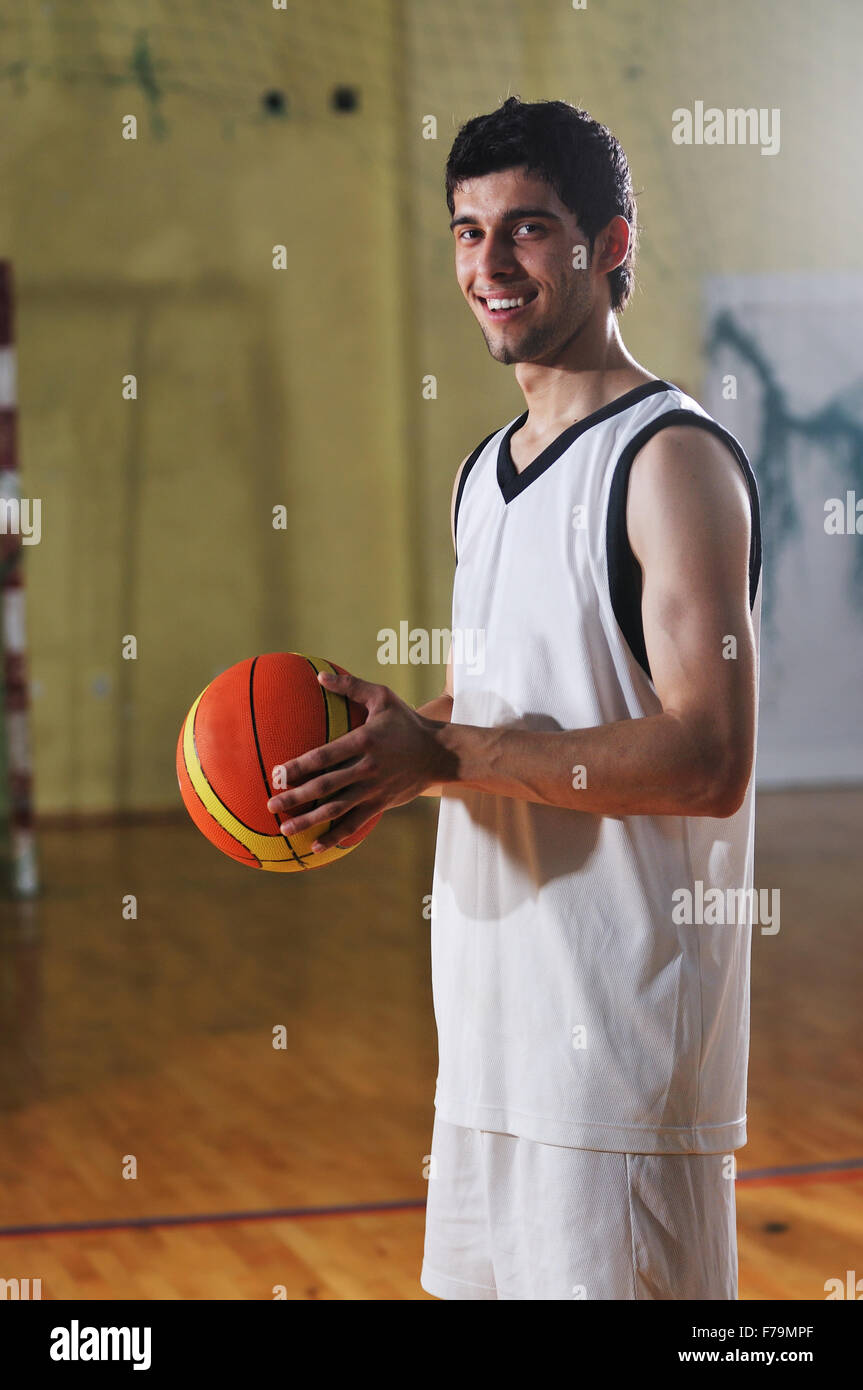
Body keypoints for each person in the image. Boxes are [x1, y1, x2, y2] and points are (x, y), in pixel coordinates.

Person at [267, 96, 761, 1301]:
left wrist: (442, 752)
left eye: (528, 228)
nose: (489, 263)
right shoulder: (480, 478)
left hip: (616, 1082)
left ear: (612, 245)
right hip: (488, 1063)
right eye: (465, 230)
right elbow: (526, 701)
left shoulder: (670, 460)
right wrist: (392, 750)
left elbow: (706, 759)